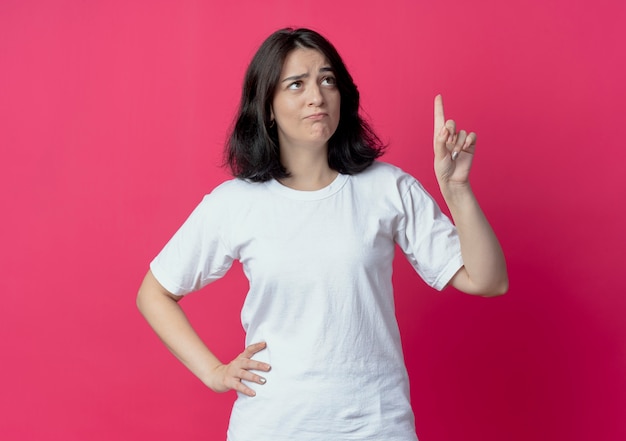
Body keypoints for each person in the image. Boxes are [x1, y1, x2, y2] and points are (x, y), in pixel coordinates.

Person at [136, 27, 508, 441]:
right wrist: (214, 372)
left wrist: (457, 191)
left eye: (327, 80)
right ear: (268, 107)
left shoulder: (387, 188)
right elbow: (154, 293)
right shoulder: (236, 202)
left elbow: (488, 281)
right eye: (296, 84)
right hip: (271, 427)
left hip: (378, 427)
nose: (317, 96)